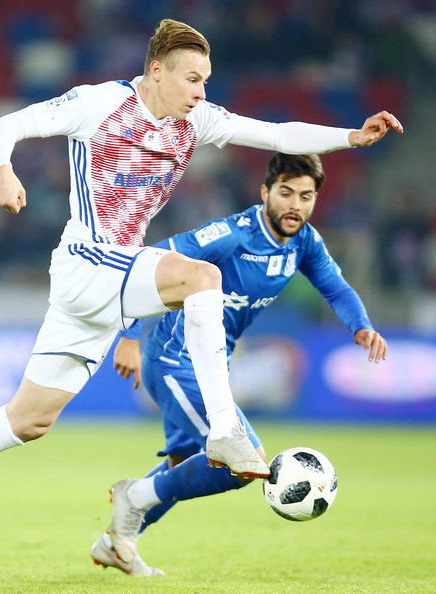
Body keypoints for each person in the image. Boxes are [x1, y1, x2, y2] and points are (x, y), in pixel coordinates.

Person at [0, 19, 402, 564]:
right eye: (191, 79)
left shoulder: (197, 122)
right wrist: (3, 172)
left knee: (28, 420)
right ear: (157, 72)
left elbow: (279, 135)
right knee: (202, 277)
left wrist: (350, 137)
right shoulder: (97, 104)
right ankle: (224, 428)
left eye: (206, 80)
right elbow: (4, 126)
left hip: (105, 283)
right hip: (87, 264)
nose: (200, 92)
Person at [90, 153, 388, 576]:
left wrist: (361, 326)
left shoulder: (304, 241)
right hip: (174, 358)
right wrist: (127, 336)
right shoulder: (231, 234)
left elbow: (335, 286)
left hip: (209, 365)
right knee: (243, 461)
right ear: (265, 192)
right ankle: (133, 496)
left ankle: (115, 543)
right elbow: (152, 261)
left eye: (306, 196)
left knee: (185, 465)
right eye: (286, 193)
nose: (295, 206)